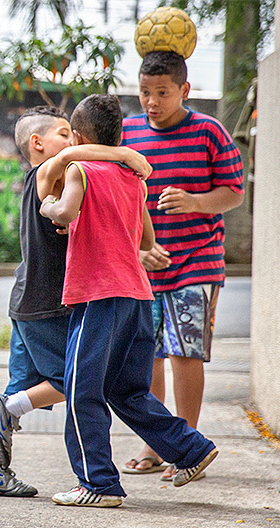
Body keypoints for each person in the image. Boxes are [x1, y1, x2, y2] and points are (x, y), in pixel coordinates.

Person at [39, 94, 218, 508]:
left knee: (83, 390)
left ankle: (97, 483)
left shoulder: (80, 169)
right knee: (129, 391)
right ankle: (190, 449)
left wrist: (51, 206)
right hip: (137, 294)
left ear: (79, 136)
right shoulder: (133, 180)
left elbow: (64, 213)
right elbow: (147, 240)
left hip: (97, 295)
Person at [0, 106, 152, 497]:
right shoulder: (48, 172)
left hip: (26, 300)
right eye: (65, 133)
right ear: (38, 143)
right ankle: (7, 413)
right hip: (47, 302)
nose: (73, 142)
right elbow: (70, 157)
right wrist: (124, 154)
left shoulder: (56, 178)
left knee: (18, 390)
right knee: (75, 381)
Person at [120, 50, 244, 480]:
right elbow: (117, 200)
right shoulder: (128, 131)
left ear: (184, 91)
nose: (151, 102)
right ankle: (157, 442)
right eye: (144, 92)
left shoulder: (209, 131)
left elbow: (234, 190)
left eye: (162, 93)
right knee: (145, 356)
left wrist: (194, 202)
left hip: (197, 262)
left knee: (184, 353)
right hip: (142, 265)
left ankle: (188, 447)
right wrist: (138, 249)